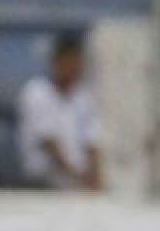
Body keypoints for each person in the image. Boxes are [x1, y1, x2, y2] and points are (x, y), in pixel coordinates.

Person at [17, 32, 103, 191]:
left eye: (77, 64)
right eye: (70, 63)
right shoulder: (36, 92)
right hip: (41, 183)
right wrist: (78, 178)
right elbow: (49, 143)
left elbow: (92, 140)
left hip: (75, 181)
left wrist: (97, 180)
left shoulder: (83, 96)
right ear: (56, 62)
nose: (74, 69)